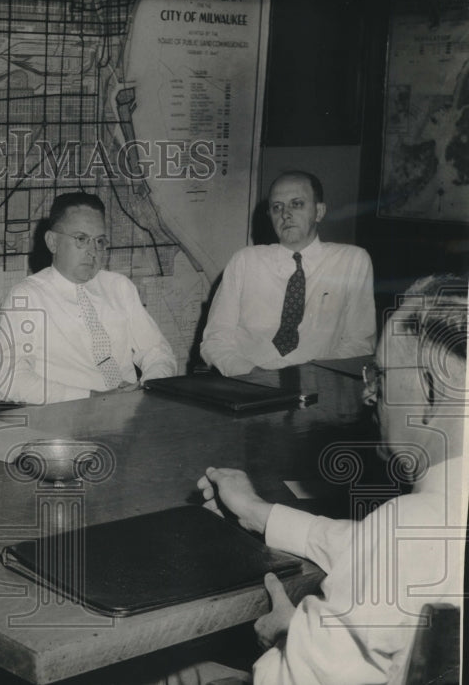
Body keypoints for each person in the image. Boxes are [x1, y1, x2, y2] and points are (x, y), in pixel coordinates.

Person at [195, 274, 466, 684]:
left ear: (429, 389)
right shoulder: (428, 524)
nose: (369, 396)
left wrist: (291, 637)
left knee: (173, 672)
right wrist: (259, 513)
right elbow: (382, 549)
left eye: (382, 376)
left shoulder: (406, 529)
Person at [0, 192, 176, 405]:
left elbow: (158, 352)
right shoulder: (27, 297)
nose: (92, 252)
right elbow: (7, 382)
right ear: (52, 242)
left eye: (99, 241)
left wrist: (147, 387)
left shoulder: (119, 287)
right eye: (81, 239)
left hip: (129, 413)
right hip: (64, 420)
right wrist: (92, 398)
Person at [200, 171, 376, 376]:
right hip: (248, 382)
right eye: (277, 207)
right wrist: (253, 375)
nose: (285, 214)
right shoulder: (245, 261)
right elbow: (215, 340)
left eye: (297, 204)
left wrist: (309, 377)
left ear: (319, 212)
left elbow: (360, 345)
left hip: (319, 385)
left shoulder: (352, 261)